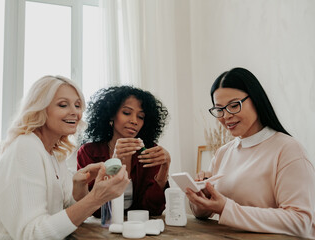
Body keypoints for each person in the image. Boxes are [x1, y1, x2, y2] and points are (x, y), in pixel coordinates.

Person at [0, 76, 129, 240]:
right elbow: (32, 235)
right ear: (40, 109)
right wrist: (96, 198)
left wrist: (79, 189)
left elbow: (64, 215)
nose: (75, 112)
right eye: (63, 105)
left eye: (78, 105)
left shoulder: (54, 155)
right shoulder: (25, 147)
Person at [186, 67, 315, 239]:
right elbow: (204, 214)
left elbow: (300, 221)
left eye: (234, 105)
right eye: (219, 109)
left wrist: (226, 208)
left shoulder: (288, 150)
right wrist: (202, 198)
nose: (226, 116)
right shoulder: (223, 153)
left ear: (256, 100)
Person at [77, 86, 170, 217]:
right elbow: (96, 210)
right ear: (111, 114)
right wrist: (115, 163)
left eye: (141, 116)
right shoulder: (89, 152)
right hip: (101, 229)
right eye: (126, 113)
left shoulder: (149, 152)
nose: (134, 121)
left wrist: (165, 168)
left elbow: (153, 209)